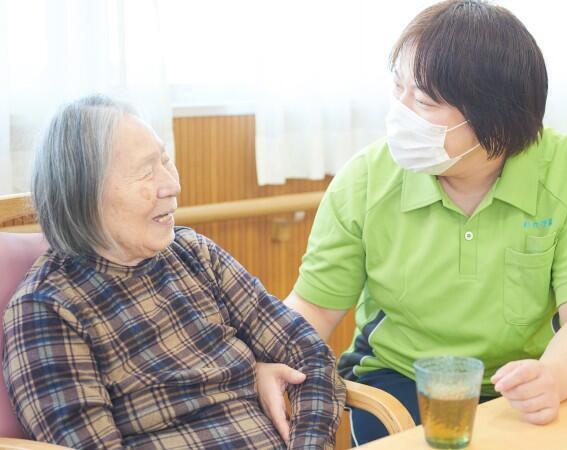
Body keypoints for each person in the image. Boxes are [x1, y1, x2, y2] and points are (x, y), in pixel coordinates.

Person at [255, 0, 567, 446]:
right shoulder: (365, 179)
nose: (399, 113)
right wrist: (265, 358)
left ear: (494, 117)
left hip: (528, 379)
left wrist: (552, 377)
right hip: (401, 380)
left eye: (422, 99)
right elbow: (315, 307)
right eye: (397, 88)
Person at [2, 95, 345, 450]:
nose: (172, 185)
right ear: (84, 192)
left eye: (166, 161)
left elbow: (307, 352)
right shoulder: (47, 309)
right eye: (147, 171)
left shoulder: (193, 253)